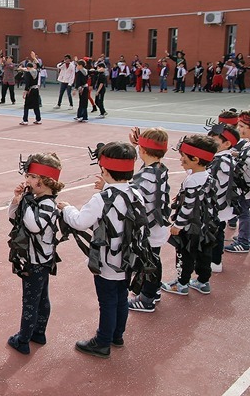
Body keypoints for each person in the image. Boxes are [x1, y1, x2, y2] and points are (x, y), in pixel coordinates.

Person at [57, 142, 149, 358]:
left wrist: (66, 208)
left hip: (108, 260)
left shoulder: (102, 199)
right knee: (121, 297)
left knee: (107, 301)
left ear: (104, 170)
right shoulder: (136, 192)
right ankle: (117, 335)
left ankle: (102, 341)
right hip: (129, 259)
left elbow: (81, 221)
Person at [7, 153, 64, 355]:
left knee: (32, 301)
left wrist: (27, 200)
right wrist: (17, 200)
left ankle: (24, 339)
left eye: (31, 176)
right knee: (40, 298)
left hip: (36, 261)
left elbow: (33, 226)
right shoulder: (36, 200)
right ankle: (38, 333)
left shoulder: (47, 204)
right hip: (36, 259)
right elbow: (13, 217)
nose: (27, 180)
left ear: (45, 180)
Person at [161, 135, 218, 296]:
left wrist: (178, 225)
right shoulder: (207, 175)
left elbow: (188, 206)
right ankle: (203, 281)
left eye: (183, 156)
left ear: (195, 159)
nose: (180, 159)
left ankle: (181, 284)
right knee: (204, 253)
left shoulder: (191, 181)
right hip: (205, 224)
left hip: (189, 226)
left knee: (184, 254)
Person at [126, 128, 171, 312]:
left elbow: (134, 194)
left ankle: (148, 298)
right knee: (153, 259)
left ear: (143, 151)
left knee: (149, 262)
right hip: (157, 224)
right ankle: (153, 290)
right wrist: (140, 146)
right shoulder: (159, 168)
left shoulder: (146, 175)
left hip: (149, 228)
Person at [206, 123, 241, 275]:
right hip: (220, 207)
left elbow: (213, 184)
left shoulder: (221, 162)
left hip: (216, 207)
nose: (210, 141)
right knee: (217, 232)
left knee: (214, 234)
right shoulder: (226, 159)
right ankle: (215, 260)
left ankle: (214, 261)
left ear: (227, 144)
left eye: (215, 139)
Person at [227, 111, 250, 252]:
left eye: (242, 126)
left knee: (244, 213)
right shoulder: (247, 145)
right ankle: (245, 236)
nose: (238, 129)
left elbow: (241, 167)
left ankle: (244, 241)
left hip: (246, 187)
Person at [19, 58, 42, 125]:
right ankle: (38, 119)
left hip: (30, 90)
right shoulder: (37, 71)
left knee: (26, 106)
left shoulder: (28, 73)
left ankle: (25, 120)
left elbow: (27, 83)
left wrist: (25, 92)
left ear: (28, 67)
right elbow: (39, 66)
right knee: (36, 106)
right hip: (36, 90)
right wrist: (34, 58)